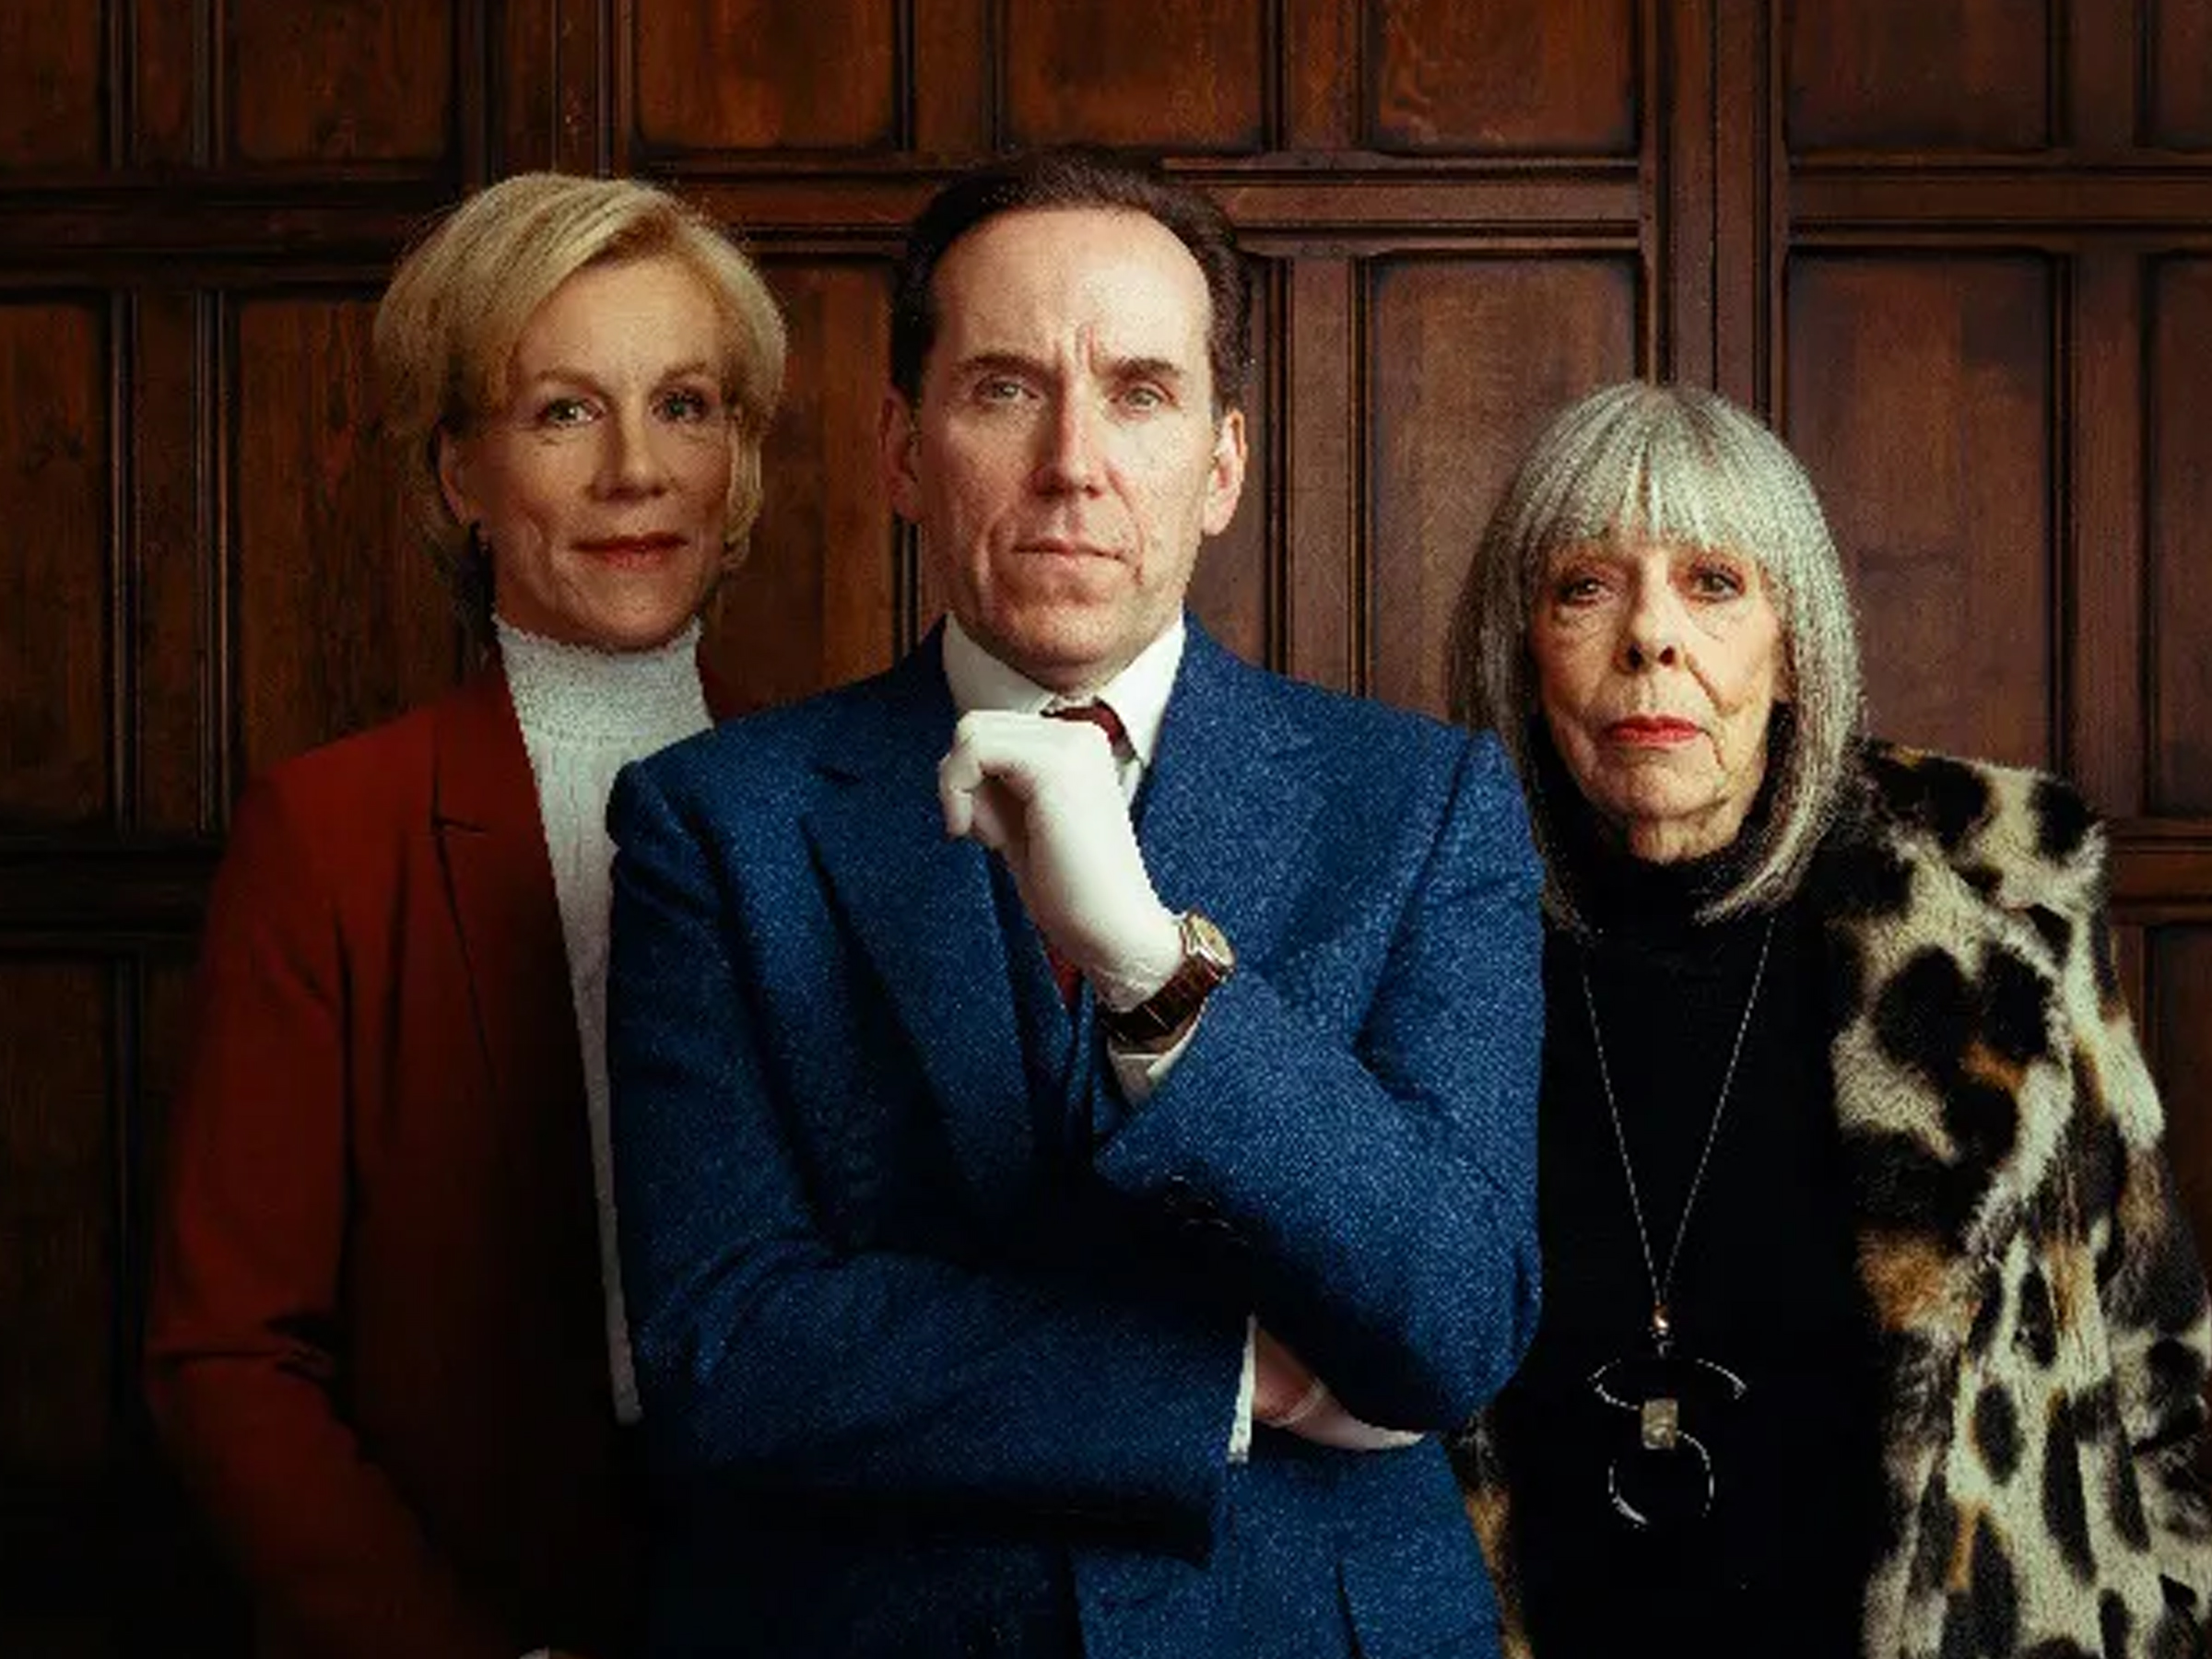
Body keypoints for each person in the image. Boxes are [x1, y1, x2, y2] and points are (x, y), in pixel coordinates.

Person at [604, 147, 1544, 1658]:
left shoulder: (1423, 806)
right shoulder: (713, 823)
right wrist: (1230, 1377)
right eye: (1005, 389)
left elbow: (1455, 1320)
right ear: (904, 449)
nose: (1073, 463)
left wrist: (1153, 973)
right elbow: (728, 1356)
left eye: (1142, 393)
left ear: (1222, 467)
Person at [1445, 381, 2212, 1658]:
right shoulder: (1430, 930)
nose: (1651, 638)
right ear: (1522, 651)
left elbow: (2161, 1360)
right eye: (1585, 586)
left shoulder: (2002, 911)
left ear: (1795, 646)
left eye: (1713, 583)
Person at [143, 171, 785, 1659]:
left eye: (685, 406)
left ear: (740, 466)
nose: (637, 469)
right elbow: (227, 1357)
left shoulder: (844, 806)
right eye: (564, 412)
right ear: (458, 476)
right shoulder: (329, 836)